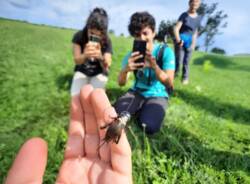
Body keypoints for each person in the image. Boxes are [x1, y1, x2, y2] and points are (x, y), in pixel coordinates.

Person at [5, 85, 132, 184]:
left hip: (112, 130)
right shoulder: (121, 124)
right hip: (114, 131)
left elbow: (113, 119)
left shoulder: (118, 119)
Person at [114, 12, 175, 135]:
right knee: (115, 115)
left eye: (145, 33)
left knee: (149, 127)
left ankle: (141, 111)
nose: (141, 38)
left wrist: (155, 67)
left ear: (153, 32)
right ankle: (135, 109)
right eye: (137, 35)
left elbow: (169, 82)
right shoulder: (131, 55)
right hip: (136, 92)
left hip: (158, 94)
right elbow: (121, 83)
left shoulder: (165, 52)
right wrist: (126, 70)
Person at [71, 8, 112, 96]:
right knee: (76, 96)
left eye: (98, 35)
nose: (94, 37)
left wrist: (100, 57)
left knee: (96, 97)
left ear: (103, 33)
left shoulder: (107, 40)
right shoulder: (79, 36)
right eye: (91, 33)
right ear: (88, 27)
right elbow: (77, 60)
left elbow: (107, 65)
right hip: (82, 70)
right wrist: (85, 55)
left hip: (99, 72)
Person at [173, 0, 202, 85]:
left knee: (186, 62)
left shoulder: (198, 18)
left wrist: (193, 44)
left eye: (196, 5)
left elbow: (195, 32)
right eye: (193, 4)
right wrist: (178, 40)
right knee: (179, 60)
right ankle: (174, 75)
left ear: (198, 6)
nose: (194, 6)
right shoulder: (184, 15)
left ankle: (185, 78)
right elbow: (176, 28)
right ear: (189, 4)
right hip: (181, 40)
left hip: (189, 42)